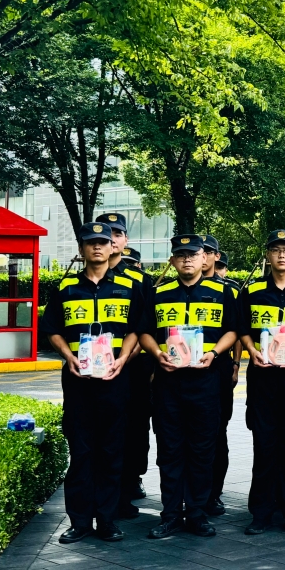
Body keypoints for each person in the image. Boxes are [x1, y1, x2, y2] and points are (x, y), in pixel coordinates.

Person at [42, 222, 144, 544]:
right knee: (81, 452)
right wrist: (67, 356)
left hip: (114, 381)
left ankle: (107, 520)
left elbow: (138, 329)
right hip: (78, 383)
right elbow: (52, 329)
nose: (98, 247)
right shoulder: (66, 287)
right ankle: (80, 522)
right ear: (81, 249)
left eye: (103, 242)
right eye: (91, 243)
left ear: (113, 247)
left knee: (111, 451)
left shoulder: (129, 287)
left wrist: (122, 359)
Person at [140, 234, 238, 538]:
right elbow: (144, 332)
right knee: (169, 450)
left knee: (202, 450)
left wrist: (215, 353)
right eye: (180, 255)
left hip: (205, 382)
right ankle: (170, 514)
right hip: (168, 383)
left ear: (204, 258)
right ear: (172, 260)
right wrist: (157, 354)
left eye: (193, 254)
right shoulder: (159, 294)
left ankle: (196, 513)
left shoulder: (222, 292)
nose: (187, 260)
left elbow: (233, 330)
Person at [237, 230, 285, 534]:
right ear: (268, 255)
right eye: (275, 249)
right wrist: (252, 350)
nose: (282, 255)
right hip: (263, 379)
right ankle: (261, 512)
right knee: (264, 445)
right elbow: (242, 328)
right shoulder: (252, 291)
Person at [95, 212, 155, 518]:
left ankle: (129, 484)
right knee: (99, 432)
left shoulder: (140, 281)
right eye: (106, 234)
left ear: (125, 240)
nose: (112, 239)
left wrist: (123, 360)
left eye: (117, 233)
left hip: (133, 370)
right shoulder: (83, 281)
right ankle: (102, 492)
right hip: (93, 371)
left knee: (133, 429)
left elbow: (146, 328)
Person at [200, 233, 240, 518]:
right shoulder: (168, 291)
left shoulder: (229, 291)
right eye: (197, 251)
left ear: (216, 256)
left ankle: (213, 493)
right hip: (180, 374)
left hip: (219, 370)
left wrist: (236, 365)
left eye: (207, 252)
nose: (200, 256)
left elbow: (236, 331)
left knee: (217, 432)